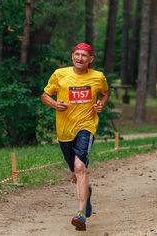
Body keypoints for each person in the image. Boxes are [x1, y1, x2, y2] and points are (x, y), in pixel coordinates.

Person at [41, 43, 109, 231]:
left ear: (90, 59)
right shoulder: (59, 74)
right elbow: (45, 95)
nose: (80, 58)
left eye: (84, 56)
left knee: (80, 167)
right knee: (75, 173)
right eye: (77, 54)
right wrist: (55, 104)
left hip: (87, 126)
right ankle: (87, 194)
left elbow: (105, 93)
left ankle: (80, 214)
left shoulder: (98, 77)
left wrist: (100, 105)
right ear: (72, 56)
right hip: (64, 131)